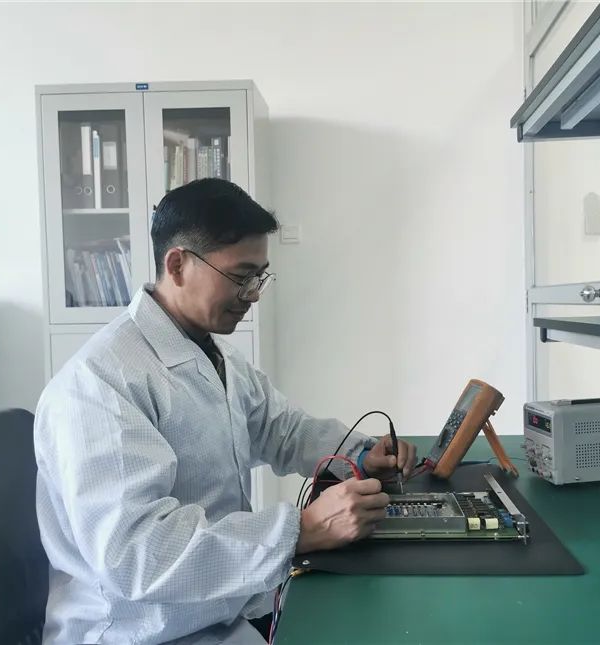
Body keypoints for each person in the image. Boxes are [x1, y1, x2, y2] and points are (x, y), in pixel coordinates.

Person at [34, 178, 418, 644]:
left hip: (220, 610)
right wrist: (300, 530)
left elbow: (281, 429)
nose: (253, 294)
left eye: (260, 277)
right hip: (142, 631)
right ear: (177, 265)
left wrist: (359, 454)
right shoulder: (99, 384)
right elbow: (137, 555)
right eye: (241, 276)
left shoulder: (211, 353)